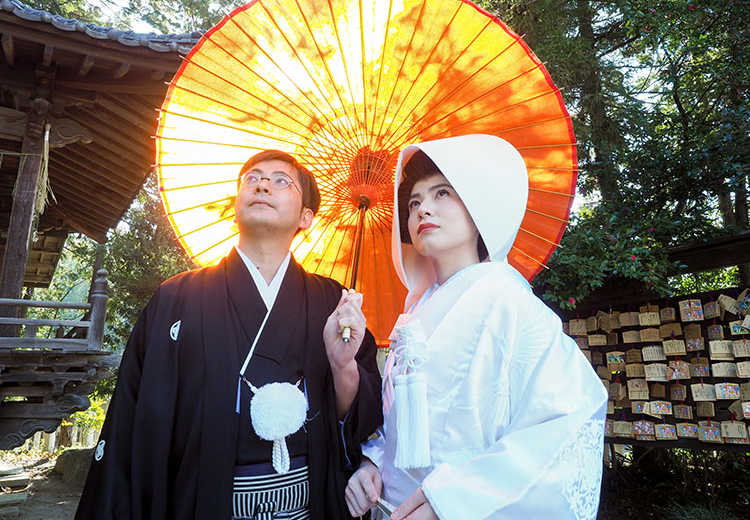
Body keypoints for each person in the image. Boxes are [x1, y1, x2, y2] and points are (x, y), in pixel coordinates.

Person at [76, 150, 382, 520]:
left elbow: (365, 420)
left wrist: (343, 366)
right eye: (251, 179)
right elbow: (134, 417)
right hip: (198, 500)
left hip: (308, 502)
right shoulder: (177, 298)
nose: (263, 184)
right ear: (236, 204)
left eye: (281, 181)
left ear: (306, 217)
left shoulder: (335, 304)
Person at [345, 134, 608, 520]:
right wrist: (374, 465)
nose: (421, 210)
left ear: (477, 207)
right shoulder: (415, 312)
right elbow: (406, 422)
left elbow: (568, 418)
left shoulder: (508, 302)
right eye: (414, 202)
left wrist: (453, 499)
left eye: (442, 194)